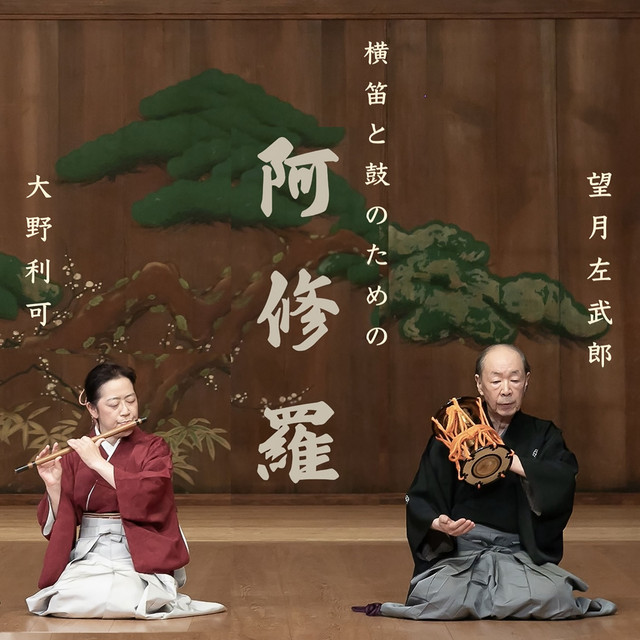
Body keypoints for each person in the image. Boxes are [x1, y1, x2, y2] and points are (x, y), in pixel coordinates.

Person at [355, 344, 616, 620]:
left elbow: (562, 479)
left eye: (514, 379)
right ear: (479, 384)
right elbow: (420, 497)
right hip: (462, 555)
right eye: (496, 381)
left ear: (527, 381)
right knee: (438, 595)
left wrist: (509, 460)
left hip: (518, 555)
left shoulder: (543, 434)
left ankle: (479, 602)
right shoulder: (454, 434)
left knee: (554, 595)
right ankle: (502, 602)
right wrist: (439, 523)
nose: (506, 390)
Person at [26, 362, 225, 619]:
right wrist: (54, 486)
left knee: (126, 598)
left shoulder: (154, 448)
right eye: (114, 404)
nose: (126, 411)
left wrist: (98, 463)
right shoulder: (76, 455)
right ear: (92, 409)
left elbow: (152, 495)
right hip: (91, 553)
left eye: (131, 400)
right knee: (66, 600)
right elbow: (64, 521)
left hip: (137, 553)